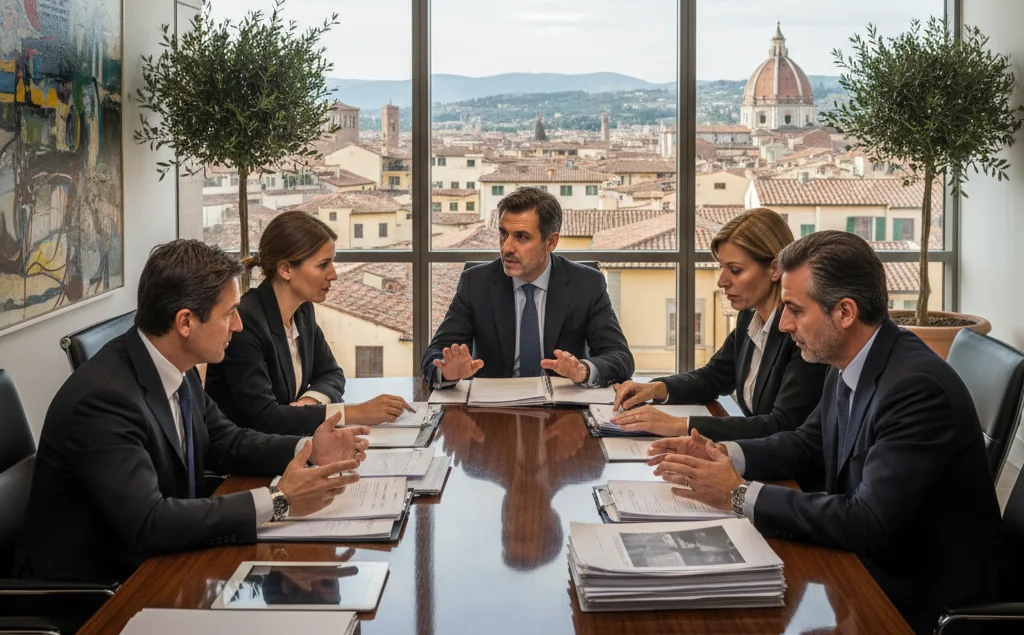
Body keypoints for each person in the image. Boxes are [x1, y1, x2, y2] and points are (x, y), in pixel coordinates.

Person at [648, 230, 1000, 635]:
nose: (783, 323)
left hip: (922, 608)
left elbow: (869, 521)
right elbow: (807, 443)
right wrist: (720, 453)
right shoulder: (851, 358)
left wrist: (739, 494)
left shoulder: (915, 389)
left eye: (795, 309)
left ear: (845, 312)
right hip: (869, 575)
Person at [15, 239, 371, 584]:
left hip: (169, 566)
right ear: (185, 322)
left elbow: (226, 442)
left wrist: (308, 449)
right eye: (229, 313)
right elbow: (149, 522)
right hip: (100, 599)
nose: (238, 325)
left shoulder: (175, 366)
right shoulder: (103, 400)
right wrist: (279, 500)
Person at [611, 208, 827, 441]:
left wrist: (680, 425)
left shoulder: (802, 334)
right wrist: (657, 388)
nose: (722, 281)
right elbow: (714, 376)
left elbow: (782, 425)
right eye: (722, 268)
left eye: (735, 270)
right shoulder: (748, 317)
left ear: (774, 269)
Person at [205, 210, 412, 434]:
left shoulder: (303, 310)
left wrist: (310, 403)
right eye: (323, 265)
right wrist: (354, 412)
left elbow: (332, 373)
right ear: (285, 269)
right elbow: (264, 417)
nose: (333, 274)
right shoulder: (246, 322)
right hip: (244, 463)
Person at [422, 187, 633, 387]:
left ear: (551, 242)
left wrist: (583, 371)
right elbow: (435, 353)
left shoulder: (586, 284)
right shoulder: (476, 283)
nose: (507, 248)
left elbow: (620, 357)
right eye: (503, 233)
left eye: (521, 237)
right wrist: (446, 373)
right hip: (493, 408)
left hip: (562, 409)